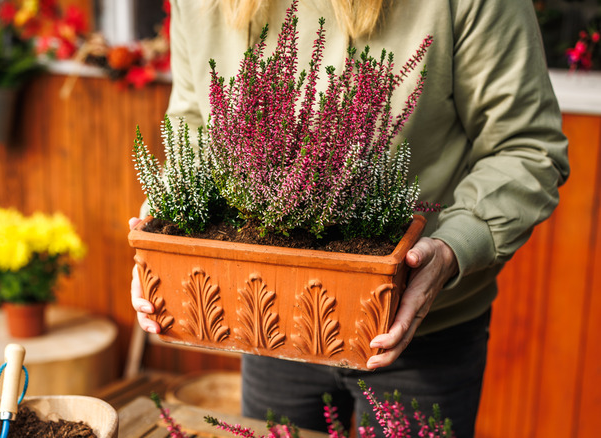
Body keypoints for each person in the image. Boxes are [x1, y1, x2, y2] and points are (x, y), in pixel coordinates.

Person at [129, 0, 570, 436]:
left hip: (421, 332)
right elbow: (192, 124)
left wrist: (454, 246)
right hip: (267, 317)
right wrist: (162, 237)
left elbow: (526, 147)